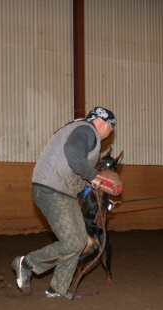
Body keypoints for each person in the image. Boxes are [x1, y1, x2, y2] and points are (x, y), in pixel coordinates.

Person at [12, 106, 116, 299]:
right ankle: (27, 263)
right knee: (72, 242)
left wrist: (91, 183)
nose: (110, 133)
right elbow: (71, 151)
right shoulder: (87, 130)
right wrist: (93, 176)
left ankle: (57, 289)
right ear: (104, 124)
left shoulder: (80, 130)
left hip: (62, 190)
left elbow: (72, 164)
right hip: (53, 189)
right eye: (111, 129)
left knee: (78, 243)